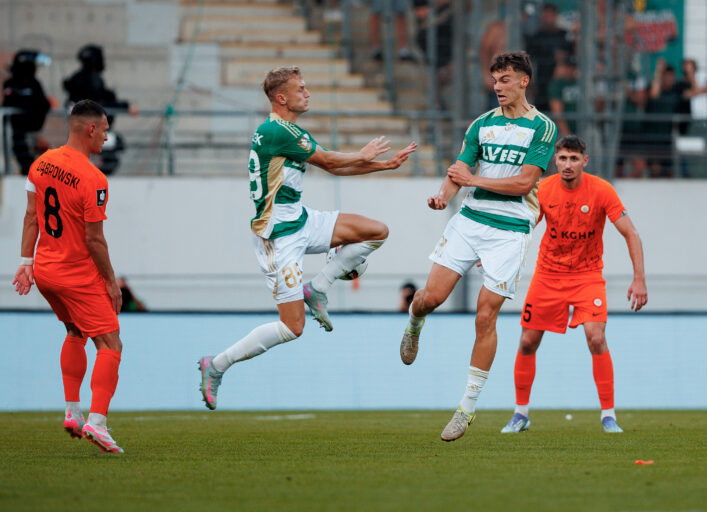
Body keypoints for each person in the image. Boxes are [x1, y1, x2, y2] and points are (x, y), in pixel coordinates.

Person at [198, 66, 417, 410]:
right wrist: (364, 155)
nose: (308, 92)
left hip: (301, 220)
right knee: (293, 327)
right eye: (301, 88)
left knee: (377, 232)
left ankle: (318, 287)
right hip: (278, 237)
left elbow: (332, 166)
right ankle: (216, 365)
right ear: (281, 98)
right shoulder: (276, 130)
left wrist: (383, 166)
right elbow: (332, 160)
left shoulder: (286, 130)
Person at [399, 51, 557, 442]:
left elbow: (524, 184)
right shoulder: (482, 125)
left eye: (505, 79)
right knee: (430, 298)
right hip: (470, 221)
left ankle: (465, 409)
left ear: (524, 81)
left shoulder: (543, 127)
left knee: (485, 316)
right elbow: (458, 171)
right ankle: (414, 322)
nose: (497, 87)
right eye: (495, 79)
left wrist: (473, 181)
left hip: (511, 229)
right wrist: (442, 194)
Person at [500, 134, 647, 435]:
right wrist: (497, 254)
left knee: (596, 338)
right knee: (528, 341)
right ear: (555, 160)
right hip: (548, 275)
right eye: (563, 158)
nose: (568, 165)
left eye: (574, 159)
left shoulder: (602, 191)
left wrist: (639, 279)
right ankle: (520, 413)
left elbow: (630, 233)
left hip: (587, 276)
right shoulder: (543, 189)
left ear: (585, 161)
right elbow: (522, 227)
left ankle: (608, 415)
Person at [12, 99, 125, 453]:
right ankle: (98, 423)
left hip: (45, 271)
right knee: (111, 344)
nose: (106, 137)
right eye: (105, 130)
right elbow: (94, 239)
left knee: (75, 332)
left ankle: (72, 412)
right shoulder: (94, 179)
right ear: (90, 129)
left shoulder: (40, 164)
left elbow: (32, 216)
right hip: (77, 275)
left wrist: (25, 262)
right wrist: (110, 280)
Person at [62, 44, 138, 174]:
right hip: (90, 131)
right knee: (116, 145)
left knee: (112, 147)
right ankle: (96, 171)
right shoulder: (90, 80)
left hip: (83, 132)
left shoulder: (78, 79)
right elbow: (101, 102)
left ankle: (94, 168)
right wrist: (124, 106)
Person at [2, 49, 52, 175]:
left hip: (32, 129)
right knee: (23, 159)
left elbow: (44, 103)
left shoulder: (35, 85)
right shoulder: (11, 84)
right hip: (16, 132)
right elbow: (10, 101)